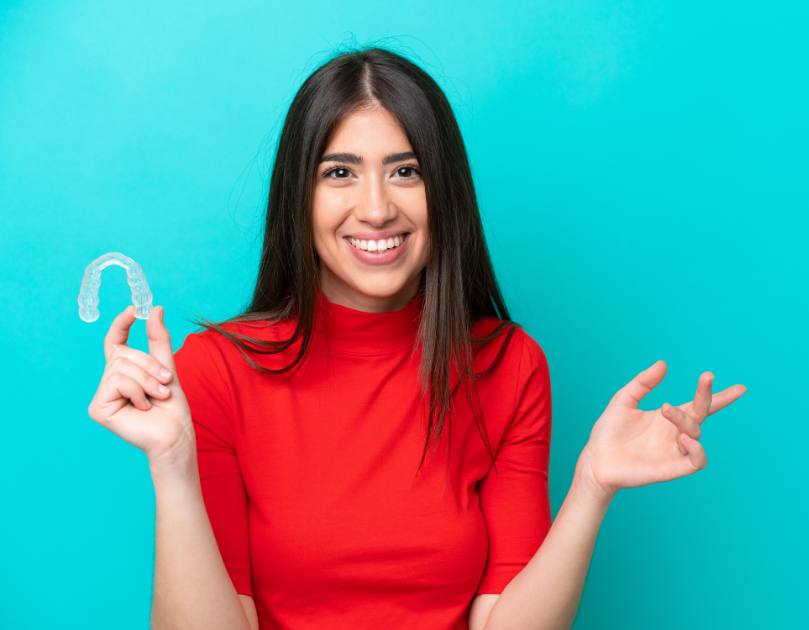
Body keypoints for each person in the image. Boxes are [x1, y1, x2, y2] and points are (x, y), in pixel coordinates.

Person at [87, 47, 746, 630]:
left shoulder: (509, 367)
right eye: (339, 173)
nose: (376, 208)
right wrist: (172, 467)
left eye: (406, 171)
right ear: (300, 196)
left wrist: (592, 487)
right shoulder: (214, 372)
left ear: (445, 191)